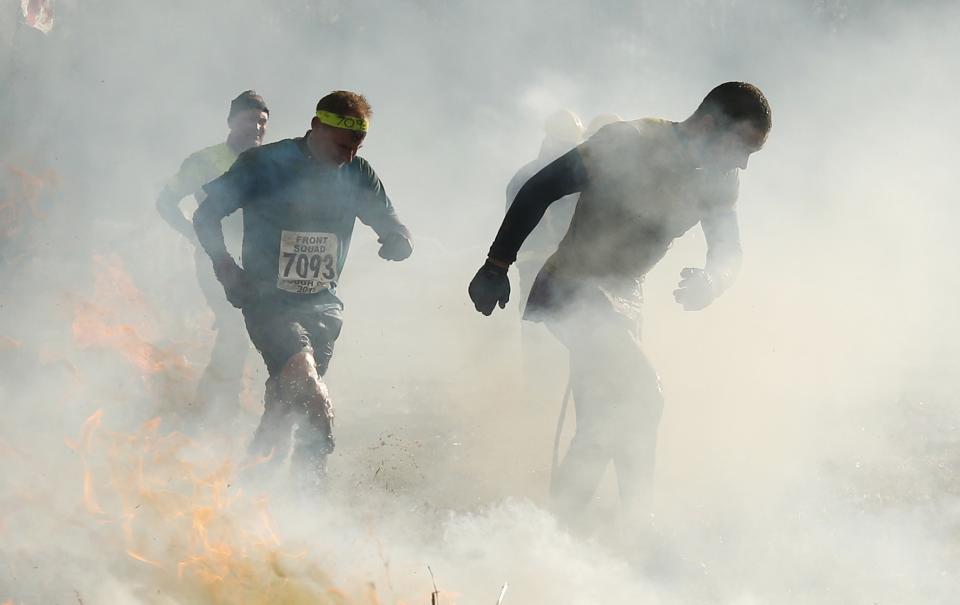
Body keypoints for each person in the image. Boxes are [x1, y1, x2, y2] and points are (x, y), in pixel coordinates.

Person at [469, 82, 771, 525]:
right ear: (709, 124)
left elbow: (729, 250)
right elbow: (540, 188)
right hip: (570, 287)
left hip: (625, 300)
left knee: (603, 422)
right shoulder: (627, 142)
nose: (743, 162)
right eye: (741, 147)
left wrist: (712, 279)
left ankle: (570, 528)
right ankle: (634, 528)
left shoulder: (721, 179)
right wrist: (496, 263)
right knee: (643, 398)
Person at [194, 90, 413, 489]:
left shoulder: (358, 173)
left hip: (324, 308)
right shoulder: (264, 164)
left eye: (356, 147)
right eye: (341, 145)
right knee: (311, 396)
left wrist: (398, 239)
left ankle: (250, 496)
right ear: (316, 128)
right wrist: (225, 266)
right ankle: (312, 493)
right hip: (266, 301)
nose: (347, 156)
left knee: (284, 408)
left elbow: (390, 221)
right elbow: (205, 215)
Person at [156, 90, 269, 413]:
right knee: (235, 329)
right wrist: (193, 235)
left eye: (263, 122)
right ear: (231, 121)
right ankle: (214, 404)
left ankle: (231, 399)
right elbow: (165, 201)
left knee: (258, 332)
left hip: (262, 261)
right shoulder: (204, 161)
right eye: (250, 120)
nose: (258, 128)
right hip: (217, 259)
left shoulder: (269, 161)